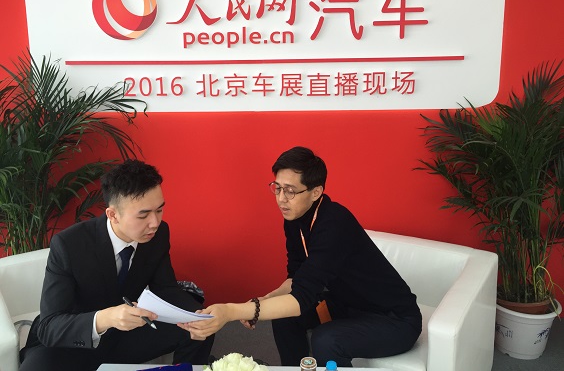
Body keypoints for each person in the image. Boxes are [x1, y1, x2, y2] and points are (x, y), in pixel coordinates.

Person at [185, 146, 422, 367]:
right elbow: (296, 279)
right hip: (347, 305)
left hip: (394, 320)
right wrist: (263, 301)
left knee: (326, 340)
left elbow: (301, 298)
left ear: (316, 192)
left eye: (290, 191)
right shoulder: (295, 219)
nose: (281, 198)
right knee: (284, 318)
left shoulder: (334, 223)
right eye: (277, 188)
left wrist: (231, 311)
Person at [19, 159, 214, 371]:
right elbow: (50, 327)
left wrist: (196, 315)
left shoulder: (157, 234)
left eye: (159, 210)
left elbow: (166, 289)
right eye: (143, 215)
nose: (155, 223)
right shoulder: (69, 245)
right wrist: (106, 318)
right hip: (74, 338)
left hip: (128, 332)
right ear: (112, 215)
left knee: (201, 329)